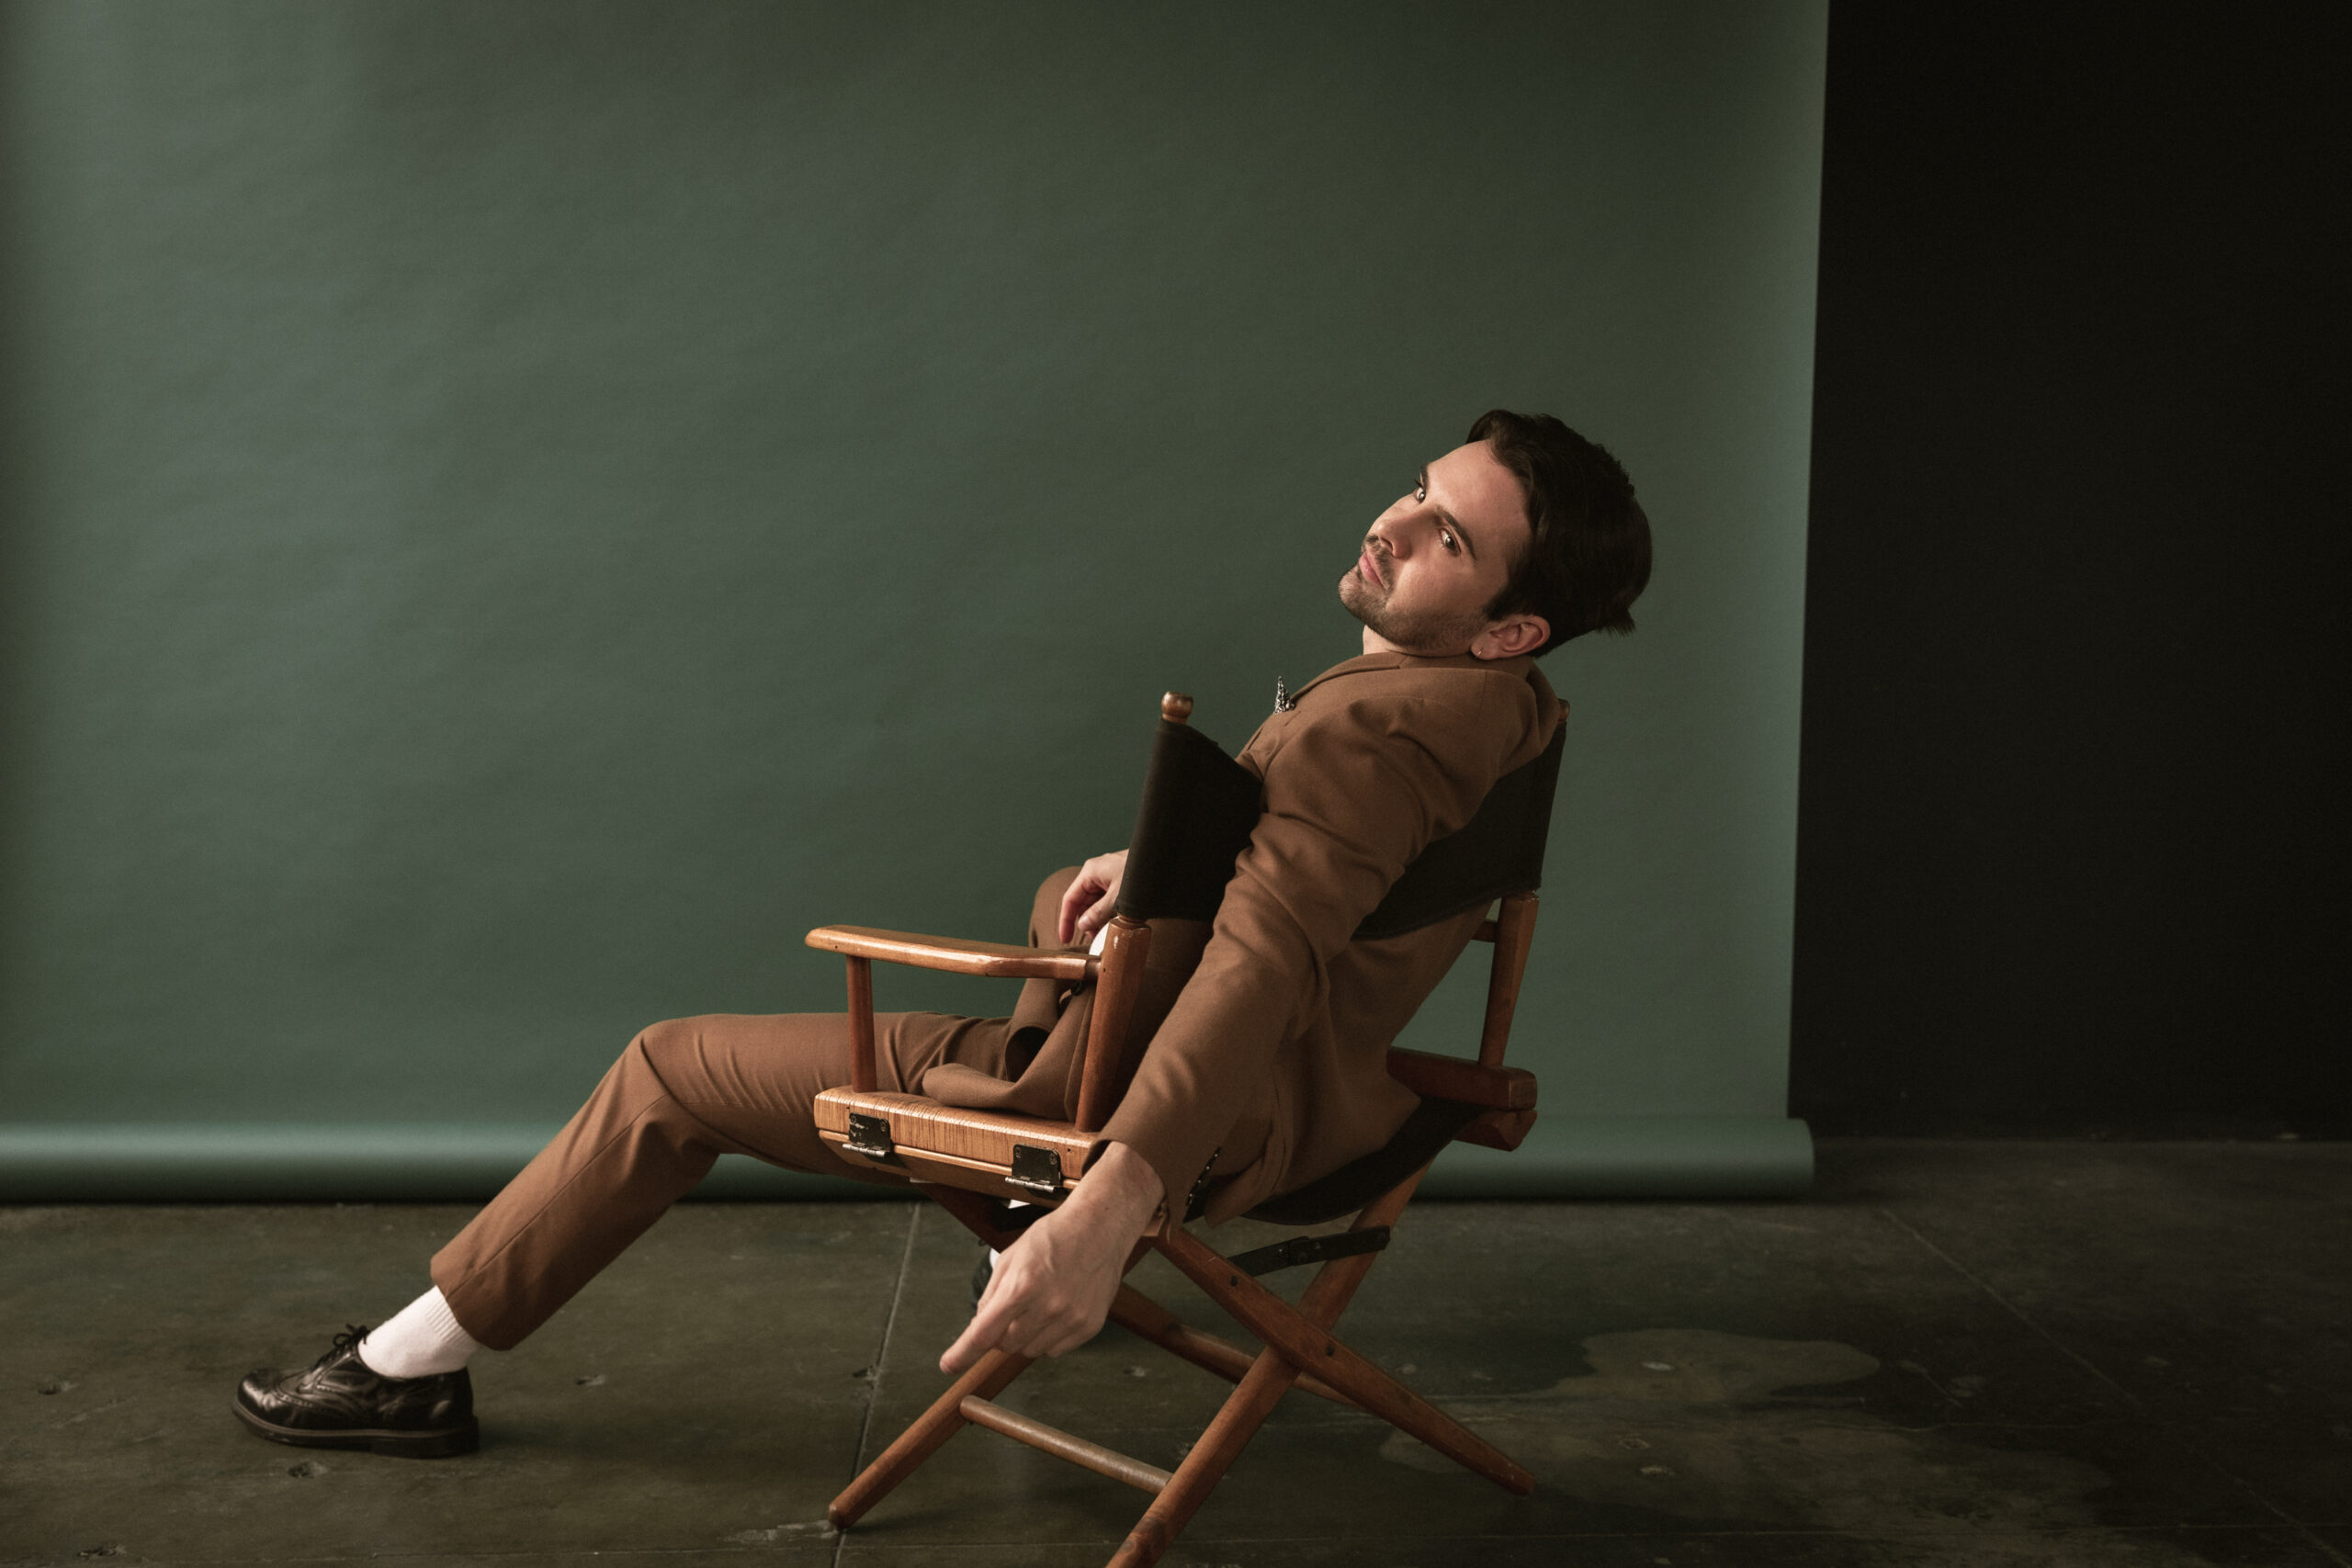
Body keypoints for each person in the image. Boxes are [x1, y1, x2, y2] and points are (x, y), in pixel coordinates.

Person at [232, 409, 1652, 1459]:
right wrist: (1167, 864)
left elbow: (1268, 961)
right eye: (1416, 491)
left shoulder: (1376, 730)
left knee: (665, 1071)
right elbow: (1316, 898)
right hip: (1331, 1100)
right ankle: (1021, 1209)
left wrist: (1112, 1199)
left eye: (1446, 537)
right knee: (1069, 889)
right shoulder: (1502, 715)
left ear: (1511, 625)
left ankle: (408, 1369)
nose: (1394, 525)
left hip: (1144, 1109)